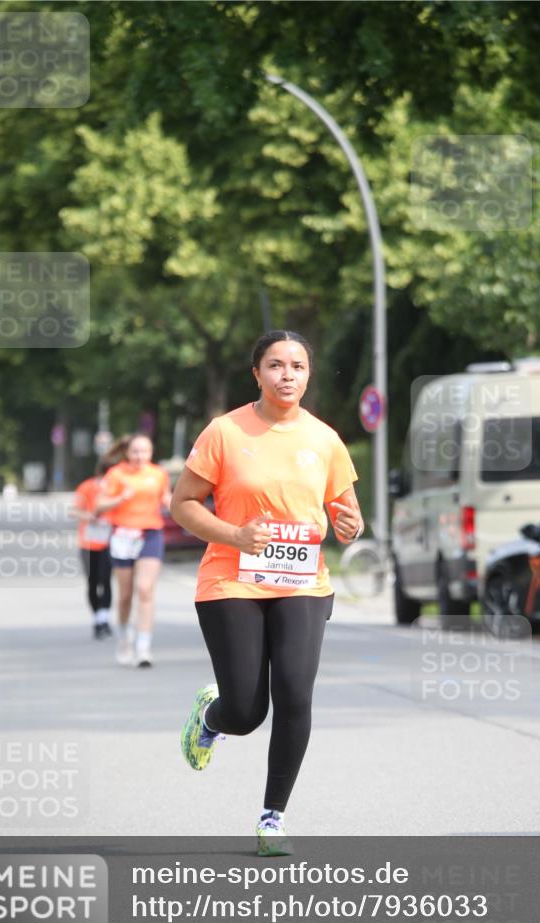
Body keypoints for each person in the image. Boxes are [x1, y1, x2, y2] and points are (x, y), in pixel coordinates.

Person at [171, 330, 364, 856]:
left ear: (308, 375)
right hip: (231, 580)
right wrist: (234, 535)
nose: (287, 375)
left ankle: (272, 818)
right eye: (276, 365)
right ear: (256, 374)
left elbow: (346, 513)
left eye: (297, 366)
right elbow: (182, 504)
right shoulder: (225, 432)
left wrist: (351, 527)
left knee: (296, 693)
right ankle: (211, 717)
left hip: (303, 583)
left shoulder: (324, 439)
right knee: (246, 712)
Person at [96, 434, 171, 668]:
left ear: (151, 452)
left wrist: (179, 507)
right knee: (126, 595)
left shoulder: (158, 474)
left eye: (145, 451)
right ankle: (124, 638)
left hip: (150, 533)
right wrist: (120, 498)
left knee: (145, 590)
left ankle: (143, 647)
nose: (140, 456)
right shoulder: (116, 474)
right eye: (135, 451)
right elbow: (99, 505)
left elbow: (166, 498)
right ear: (127, 453)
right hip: (123, 535)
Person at [70, 458, 115, 639]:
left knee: (106, 579)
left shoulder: (117, 489)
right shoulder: (86, 487)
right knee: (92, 581)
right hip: (88, 542)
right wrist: (88, 516)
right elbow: (73, 510)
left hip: (110, 542)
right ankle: (97, 617)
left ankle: (103, 618)